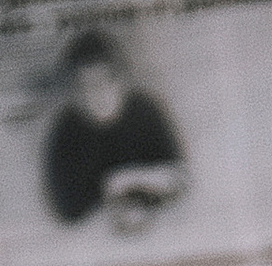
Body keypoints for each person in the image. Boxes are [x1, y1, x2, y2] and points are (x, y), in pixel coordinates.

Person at [40, 29, 185, 230]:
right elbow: (66, 210)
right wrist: (107, 192)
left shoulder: (144, 110)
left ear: (121, 81)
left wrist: (130, 178)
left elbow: (178, 176)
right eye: (86, 85)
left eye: (105, 80)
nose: (97, 93)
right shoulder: (67, 131)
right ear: (75, 93)